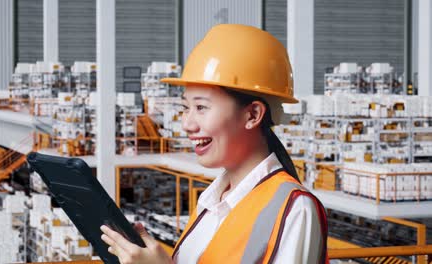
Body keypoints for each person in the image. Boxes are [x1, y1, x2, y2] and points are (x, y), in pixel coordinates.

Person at [100, 24, 328, 264]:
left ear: (252, 115)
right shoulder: (211, 202)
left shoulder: (294, 208)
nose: (187, 124)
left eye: (201, 107)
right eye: (185, 107)